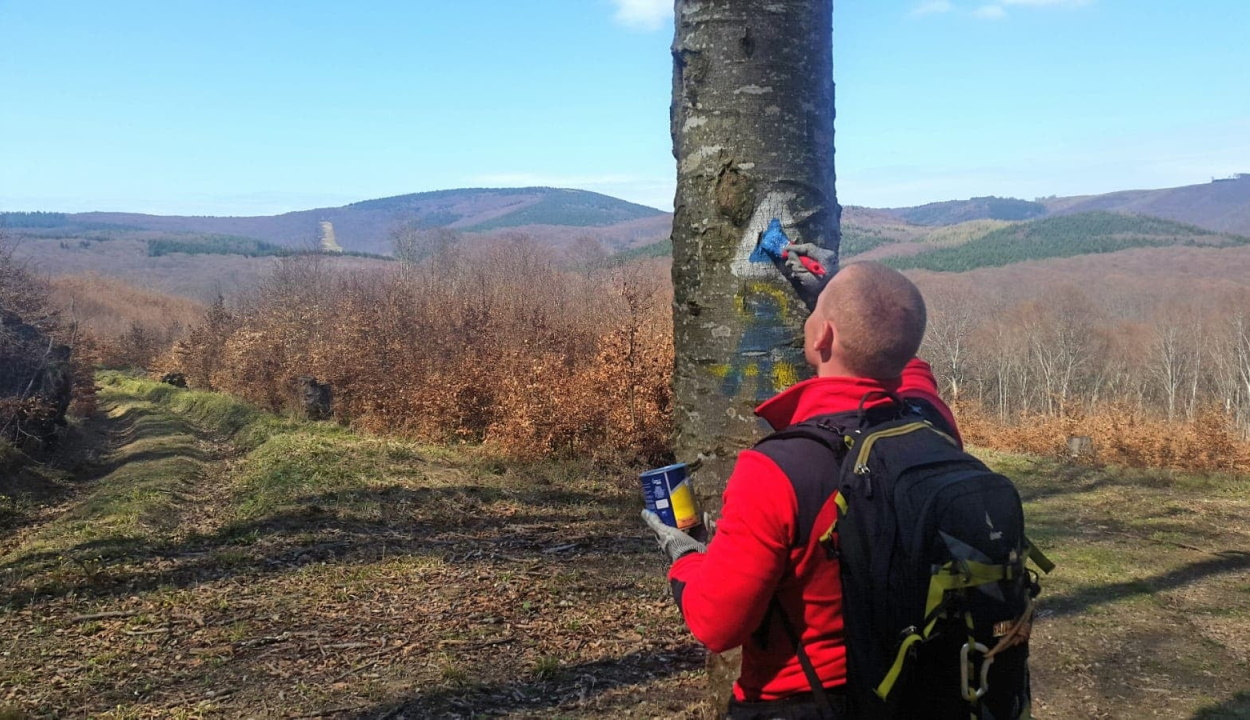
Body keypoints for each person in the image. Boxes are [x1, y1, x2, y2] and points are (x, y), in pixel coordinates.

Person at [643, 261, 962, 720]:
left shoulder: (776, 470)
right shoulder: (934, 432)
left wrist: (686, 556)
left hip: (807, 701)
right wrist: (852, 307)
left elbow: (717, 624)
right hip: (919, 691)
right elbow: (901, 362)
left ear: (823, 338)